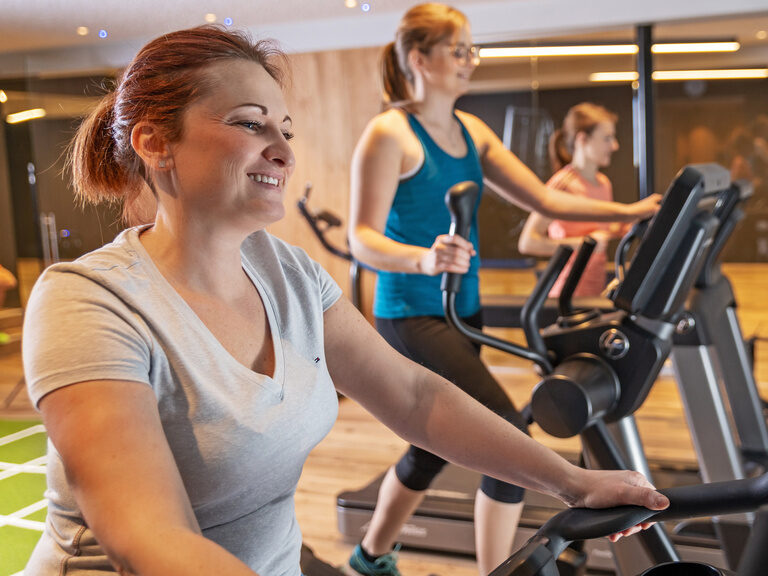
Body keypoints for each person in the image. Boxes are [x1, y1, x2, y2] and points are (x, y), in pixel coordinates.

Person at [22, 24, 666, 576]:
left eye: (287, 128)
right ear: (155, 142)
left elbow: (416, 397)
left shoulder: (289, 274)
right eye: (250, 124)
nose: (283, 149)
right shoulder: (89, 302)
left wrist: (570, 481)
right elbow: (147, 540)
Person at [346, 5, 662, 576]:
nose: (471, 60)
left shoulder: (472, 132)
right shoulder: (389, 133)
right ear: (419, 58)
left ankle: (370, 557)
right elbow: (361, 237)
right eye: (458, 50)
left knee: (430, 446)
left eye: (473, 49)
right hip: (409, 312)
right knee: (504, 439)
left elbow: (547, 200)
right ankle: (498, 571)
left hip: (461, 310)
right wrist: (424, 257)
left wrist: (630, 210)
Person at [518, 103, 630, 298]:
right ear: (582, 139)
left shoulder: (604, 184)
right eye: (607, 138)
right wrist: (583, 244)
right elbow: (528, 242)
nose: (614, 146)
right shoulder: (563, 184)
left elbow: (601, 230)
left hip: (593, 294)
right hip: (565, 294)